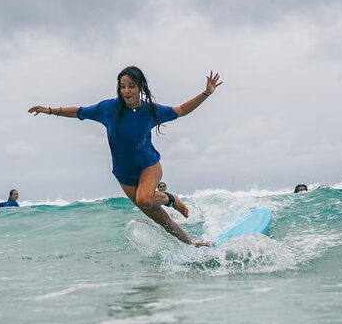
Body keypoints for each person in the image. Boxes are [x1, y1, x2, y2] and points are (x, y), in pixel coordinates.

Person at [28, 66, 223, 246]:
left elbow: (181, 110)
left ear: (140, 87)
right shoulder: (108, 109)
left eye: (131, 86)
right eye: (122, 87)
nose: (126, 91)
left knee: (144, 200)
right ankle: (193, 244)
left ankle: (171, 199)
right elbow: (80, 111)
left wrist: (206, 93)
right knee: (161, 219)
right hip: (124, 174)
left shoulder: (150, 111)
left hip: (148, 165)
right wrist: (50, 111)